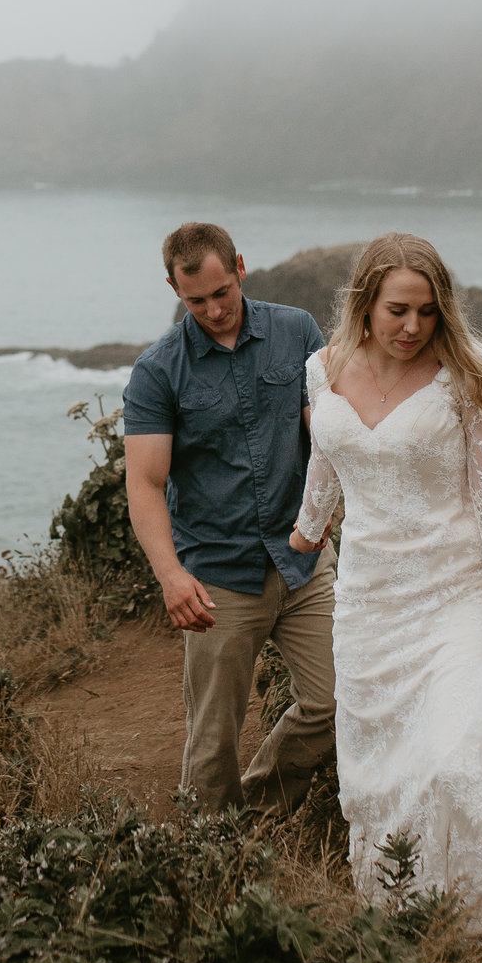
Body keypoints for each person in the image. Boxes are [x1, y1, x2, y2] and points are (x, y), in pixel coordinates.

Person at [288, 231, 482, 963]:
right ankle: (413, 928)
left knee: (469, 755)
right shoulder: (323, 369)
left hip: (456, 599)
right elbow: (329, 458)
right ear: (364, 303)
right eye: (397, 310)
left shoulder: (466, 378)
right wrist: (307, 529)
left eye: (428, 313)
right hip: (369, 604)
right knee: (384, 776)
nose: (412, 327)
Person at [122, 222, 336, 812]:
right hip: (217, 574)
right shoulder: (158, 370)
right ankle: (209, 849)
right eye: (196, 300)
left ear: (240, 267)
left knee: (336, 704)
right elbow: (143, 482)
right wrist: (171, 576)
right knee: (213, 741)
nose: (214, 310)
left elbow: (325, 428)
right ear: (174, 289)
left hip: (304, 558)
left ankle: (259, 810)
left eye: (223, 292)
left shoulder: (297, 330)